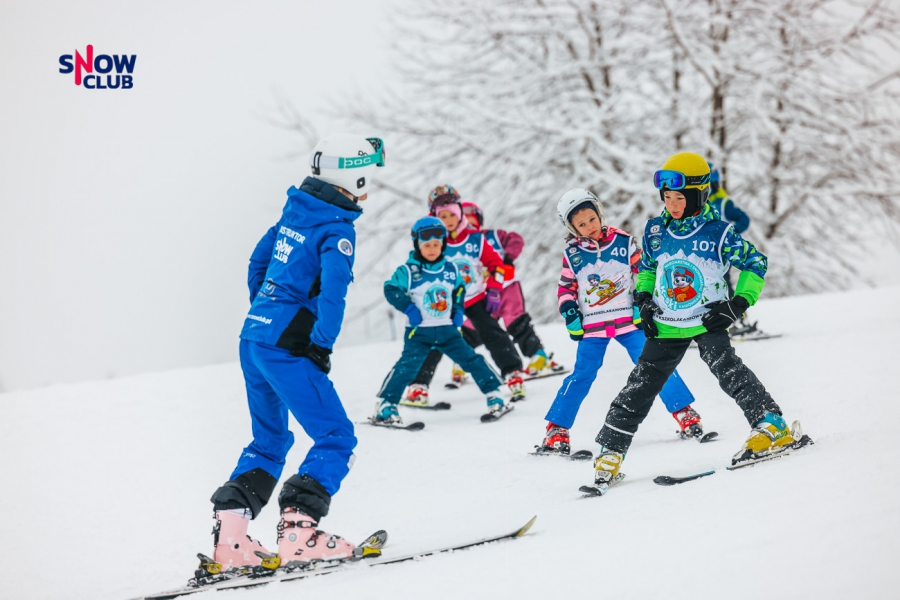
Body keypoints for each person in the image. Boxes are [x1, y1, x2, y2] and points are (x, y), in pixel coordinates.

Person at [205, 134, 385, 574]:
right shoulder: (336, 228)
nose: (367, 188)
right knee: (336, 435)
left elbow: (257, 263)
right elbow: (334, 293)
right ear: (351, 177)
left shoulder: (295, 214)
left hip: (254, 337)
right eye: (365, 179)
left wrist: (266, 311)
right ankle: (300, 535)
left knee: (269, 441)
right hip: (288, 346)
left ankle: (231, 541)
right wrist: (319, 342)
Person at [586, 152, 808, 493]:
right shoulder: (656, 230)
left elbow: (756, 264)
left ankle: (771, 424)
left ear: (699, 195)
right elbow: (646, 269)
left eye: (680, 198)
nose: (672, 204)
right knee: (640, 385)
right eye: (668, 197)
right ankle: (611, 451)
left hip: (707, 321)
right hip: (664, 323)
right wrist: (643, 299)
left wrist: (737, 304)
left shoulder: (718, 232)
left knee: (729, 372)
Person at [537, 189, 702, 455]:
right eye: (581, 224)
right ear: (572, 228)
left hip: (629, 322)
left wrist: (641, 303)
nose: (589, 227)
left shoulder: (624, 243)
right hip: (593, 326)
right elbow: (565, 288)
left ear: (599, 214)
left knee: (655, 366)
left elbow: (644, 273)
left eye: (592, 219)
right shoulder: (573, 254)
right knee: (582, 375)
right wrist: (569, 312)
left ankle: (684, 412)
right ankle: (557, 430)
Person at [406, 200, 563, 403]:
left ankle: (517, 368)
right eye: (443, 218)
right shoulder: (438, 243)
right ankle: (423, 382)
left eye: (454, 216)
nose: (450, 222)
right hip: (449, 302)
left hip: (490, 292)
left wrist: (505, 265)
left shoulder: (484, 237)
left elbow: (511, 244)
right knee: (446, 336)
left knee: (502, 327)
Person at [373, 217, 507, 423]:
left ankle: (494, 394)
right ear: (418, 245)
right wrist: (408, 308)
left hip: (448, 331)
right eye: (427, 245)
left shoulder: (450, 269)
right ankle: (386, 404)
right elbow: (390, 288)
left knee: (471, 360)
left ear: (443, 244)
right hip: (419, 333)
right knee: (407, 367)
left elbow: (460, 289)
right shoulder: (409, 271)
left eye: (437, 244)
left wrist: (458, 311)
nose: (432, 249)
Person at [707, 161, 756, 336]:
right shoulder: (692, 204)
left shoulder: (722, 203)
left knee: (723, 285)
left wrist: (729, 235)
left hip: (719, 253)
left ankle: (739, 320)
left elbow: (744, 220)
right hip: (698, 254)